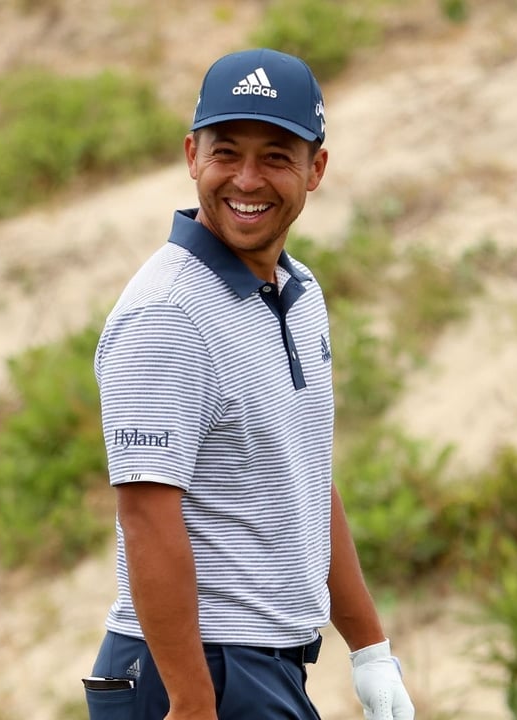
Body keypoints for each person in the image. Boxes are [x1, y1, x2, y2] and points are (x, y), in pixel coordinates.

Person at [83, 48, 415, 720]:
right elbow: (147, 514)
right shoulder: (167, 315)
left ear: (315, 169)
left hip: (260, 666)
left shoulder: (299, 292)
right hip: (193, 672)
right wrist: (192, 702)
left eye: (275, 156)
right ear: (191, 155)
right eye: (226, 151)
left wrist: (370, 648)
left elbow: (303, 476)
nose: (247, 179)